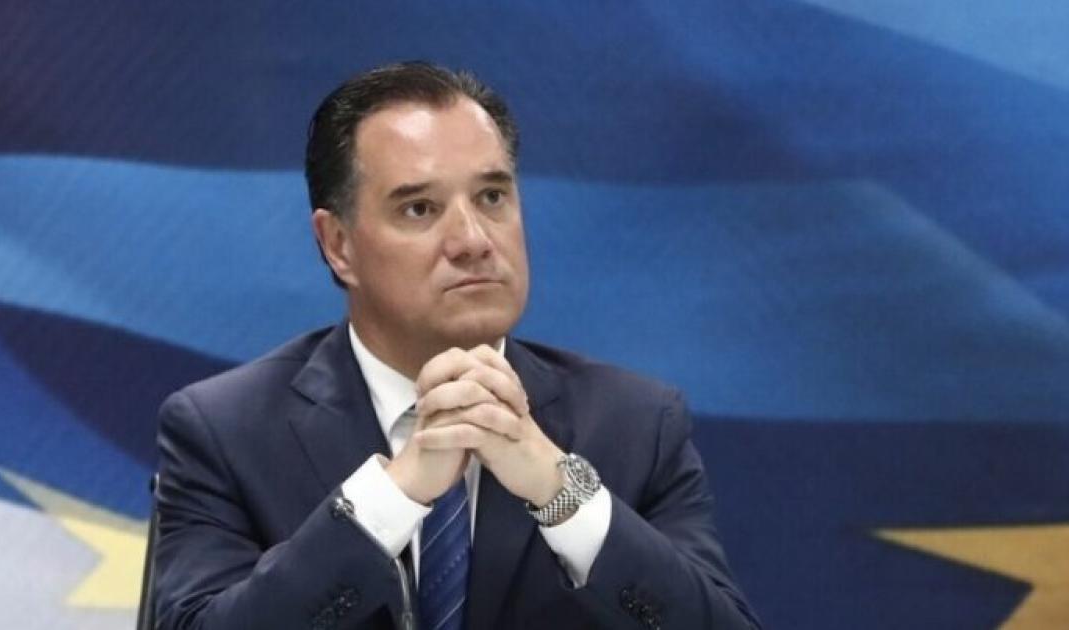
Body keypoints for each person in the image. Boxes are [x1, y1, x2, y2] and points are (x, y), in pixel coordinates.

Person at [154, 61, 759, 630]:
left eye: (492, 197)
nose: (472, 240)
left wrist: (560, 492)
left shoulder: (636, 425)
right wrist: (392, 497)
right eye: (420, 208)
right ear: (338, 245)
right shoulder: (226, 432)